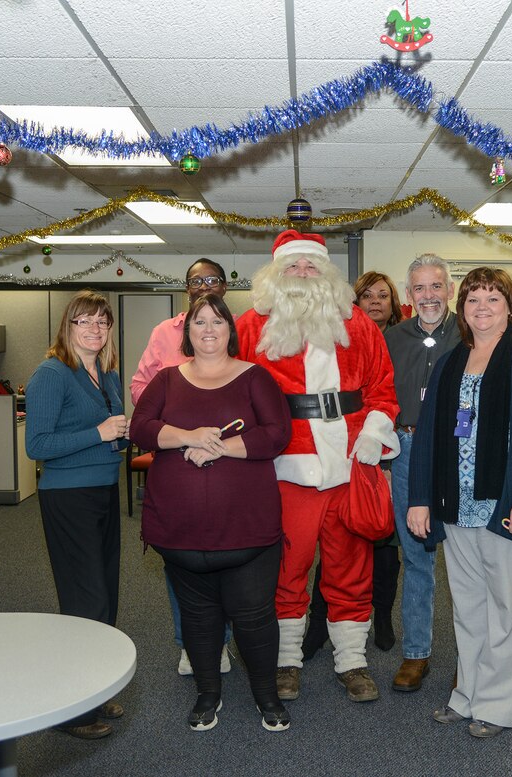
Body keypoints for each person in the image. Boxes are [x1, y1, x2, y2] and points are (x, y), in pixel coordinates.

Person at [237, 229, 400, 704]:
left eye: (311, 266)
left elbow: (383, 389)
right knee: (286, 568)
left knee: (351, 569)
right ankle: (286, 660)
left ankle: (352, 661)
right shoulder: (250, 327)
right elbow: (233, 394)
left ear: (327, 274)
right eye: (293, 266)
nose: (303, 274)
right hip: (284, 468)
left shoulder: (359, 325)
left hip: (348, 465)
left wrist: (372, 433)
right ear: (275, 274)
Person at [407, 267, 512, 738]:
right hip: (456, 505)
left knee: (506, 609)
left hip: (506, 508)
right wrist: (420, 499)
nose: (481, 307)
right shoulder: (453, 360)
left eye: (492, 299)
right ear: (463, 308)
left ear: (509, 307)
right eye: (473, 299)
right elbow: (431, 436)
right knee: (468, 609)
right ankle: (468, 695)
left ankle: (496, 707)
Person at [131, 294, 293, 732]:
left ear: (230, 332)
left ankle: (267, 696)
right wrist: (189, 437)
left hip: (248, 532)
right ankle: (208, 693)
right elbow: (141, 428)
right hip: (179, 533)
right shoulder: (165, 380)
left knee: (253, 617)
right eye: (199, 321)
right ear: (188, 332)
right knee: (198, 618)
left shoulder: (255, 377)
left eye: (218, 322)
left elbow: (277, 434)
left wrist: (217, 448)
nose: (208, 329)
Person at [25, 289, 130, 740]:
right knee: (84, 603)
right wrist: (99, 432)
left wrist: (121, 436)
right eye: (84, 321)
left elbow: (111, 430)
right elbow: (38, 446)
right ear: (66, 328)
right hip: (68, 497)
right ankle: (72, 711)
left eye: (101, 322)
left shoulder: (106, 373)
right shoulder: (51, 374)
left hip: (103, 493)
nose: (94, 330)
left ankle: (97, 689)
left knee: (106, 598)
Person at [130, 258, 233, 677]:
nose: (202, 286)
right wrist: (175, 425)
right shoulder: (163, 334)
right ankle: (191, 644)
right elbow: (140, 386)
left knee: (229, 556)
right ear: (185, 287)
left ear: (225, 287)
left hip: (228, 458)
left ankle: (223, 643)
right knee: (182, 561)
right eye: (195, 281)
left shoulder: (237, 329)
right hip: (175, 459)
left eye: (211, 279)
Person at [303, 269, 405, 658]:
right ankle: (320, 621)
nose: (376, 301)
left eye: (384, 294)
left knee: (382, 546)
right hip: (351, 454)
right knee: (339, 545)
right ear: (354, 302)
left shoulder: (400, 338)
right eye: (368, 295)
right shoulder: (343, 335)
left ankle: (380, 617)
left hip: (387, 449)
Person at [382, 254, 461, 691]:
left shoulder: (471, 336)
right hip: (408, 449)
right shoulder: (391, 338)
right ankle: (416, 654)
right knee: (416, 555)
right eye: (419, 288)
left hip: (457, 452)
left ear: (449, 290)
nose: (428, 296)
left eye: (436, 287)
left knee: (468, 559)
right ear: (408, 295)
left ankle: (470, 659)